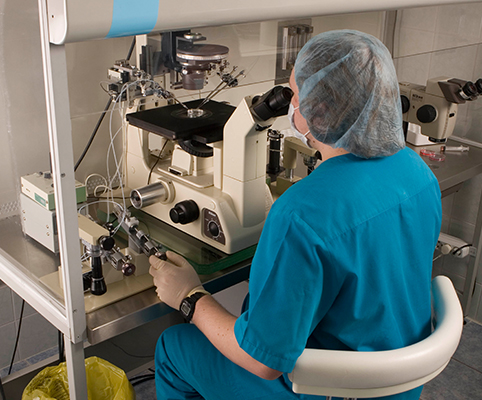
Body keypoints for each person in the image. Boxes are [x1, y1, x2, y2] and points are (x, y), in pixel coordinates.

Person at [149, 30, 442, 400]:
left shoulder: (300, 213)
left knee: (174, 346)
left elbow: (263, 362)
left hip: (330, 390)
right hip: (397, 383)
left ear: (319, 111)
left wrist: (189, 296)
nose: (290, 105)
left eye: (296, 94)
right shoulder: (417, 173)